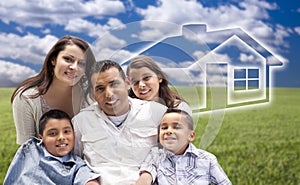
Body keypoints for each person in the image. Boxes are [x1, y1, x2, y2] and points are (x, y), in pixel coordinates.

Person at [72, 60, 168, 185]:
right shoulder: (81, 121)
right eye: (100, 88)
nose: (109, 94)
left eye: (114, 84)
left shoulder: (157, 113)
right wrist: (87, 180)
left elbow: (172, 156)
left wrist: (147, 176)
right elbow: (73, 162)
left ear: (127, 83)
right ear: (92, 94)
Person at [11, 35, 96, 144]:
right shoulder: (26, 98)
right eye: (68, 59)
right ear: (53, 60)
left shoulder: (92, 93)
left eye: (81, 63)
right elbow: (27, 151)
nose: (74, 67)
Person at [133, 108, 232, 185]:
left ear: (191, 136)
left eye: (176, 127)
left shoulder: (207, 159)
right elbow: (146, 175)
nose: (169, 131)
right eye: (164, 128)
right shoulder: (156, 155)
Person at [4, 109, 100, 185]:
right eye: (53, 133)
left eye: (66, 132)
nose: (61, 137)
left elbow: (87, 179)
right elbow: (13, 176)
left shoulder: (76, 165)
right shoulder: (31, 149)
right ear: (41, 138)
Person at [126, 55, 192, 115]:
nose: (141, 85)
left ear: (159, 77)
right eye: (135, 81)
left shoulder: (179, 107)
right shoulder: (127, 111)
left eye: (146, 78)